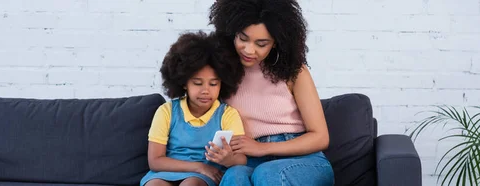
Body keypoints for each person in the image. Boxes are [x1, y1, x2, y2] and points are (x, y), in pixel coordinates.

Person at [208, 0, 335, 185]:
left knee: (266, 174)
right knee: (234, 177)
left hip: (302, 159)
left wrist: (263, 147)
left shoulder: (295, 72)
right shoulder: (220, 72)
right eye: (243, 39)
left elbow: (321, 137)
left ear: (275, 43)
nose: (249, 50)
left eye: (261, 43)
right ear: (231, 33)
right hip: (247, 157)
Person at [140, 31, 247, 186]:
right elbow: (155, 161)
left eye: (213, 83)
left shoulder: (227, 114)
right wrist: (199, 166)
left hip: (202, 178)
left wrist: (228, 159)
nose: (205, 90)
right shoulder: (167, 111)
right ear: (184, 83)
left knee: (190, 184)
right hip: (166, 172)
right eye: (197, 83)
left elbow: (241, 158)